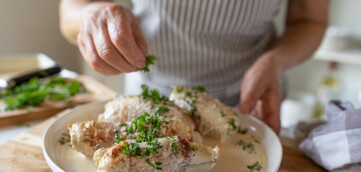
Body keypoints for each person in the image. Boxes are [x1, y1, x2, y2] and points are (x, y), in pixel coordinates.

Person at [59, 0, 329, 133]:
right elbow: (71, 9)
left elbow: (309, 21)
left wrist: (276, 60)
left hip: (247, 103)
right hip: (147, 99)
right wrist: (91, 15)